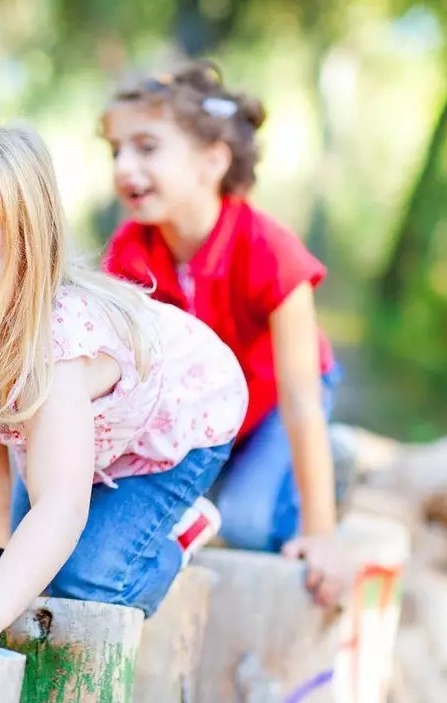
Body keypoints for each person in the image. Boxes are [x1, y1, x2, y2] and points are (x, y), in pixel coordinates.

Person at [0, 117, 249, 651]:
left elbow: (60, 505)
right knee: (25, 571)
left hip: (184, 416)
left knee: (86, 585)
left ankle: (182, 530)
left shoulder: (53, 352)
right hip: (91, 432)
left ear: (29, 256)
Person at [99, 59, 350, 608]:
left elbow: (301, 398)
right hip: (205, 415)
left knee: (250, 522)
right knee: (172, 516)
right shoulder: (130, 252)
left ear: (213, 159)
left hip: (281, 402)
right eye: (116, 150)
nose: (124, 167)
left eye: (145, 148)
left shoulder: (270, 253)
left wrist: (323, 533)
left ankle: (330, 468)